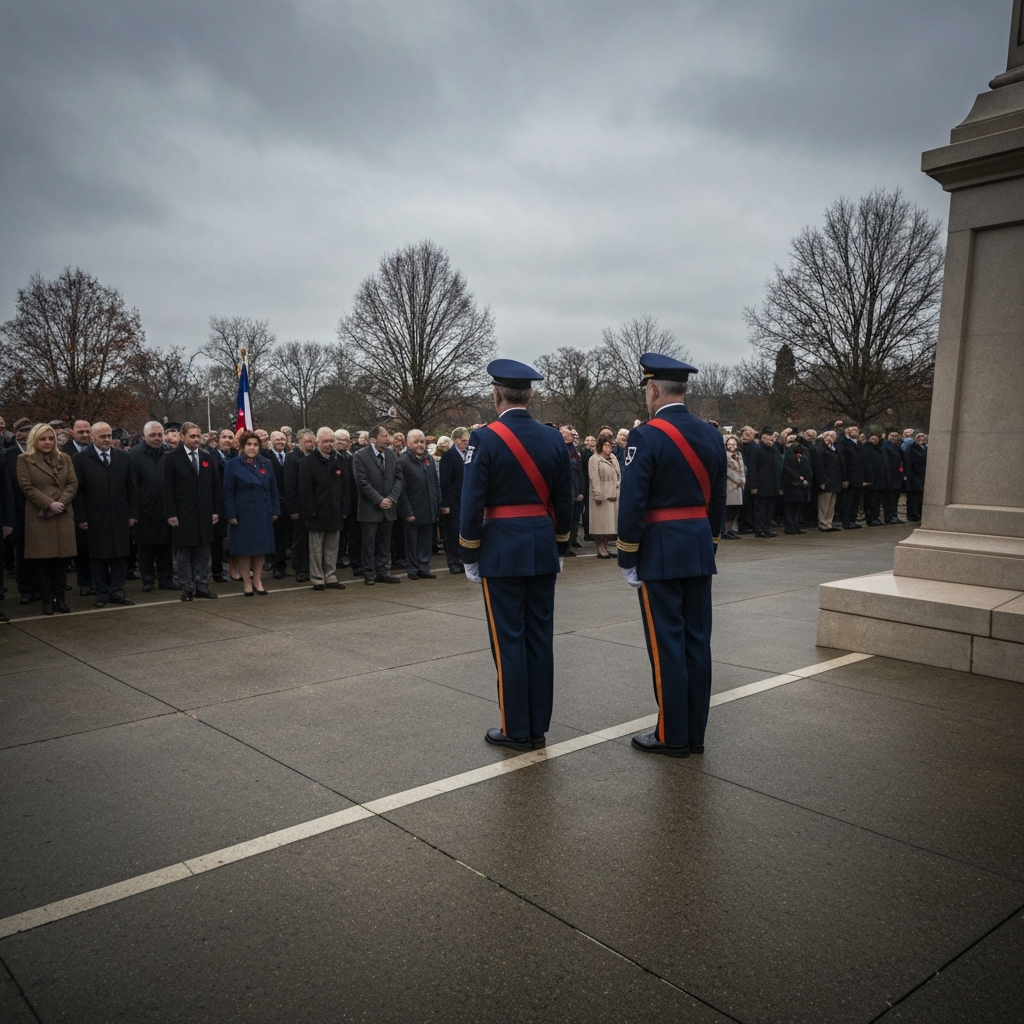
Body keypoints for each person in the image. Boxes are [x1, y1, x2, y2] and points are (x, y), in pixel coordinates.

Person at [459, 359, 573, 752]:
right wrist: (560, 545)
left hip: (502, 547)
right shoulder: (554, 438)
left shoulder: (485, 438)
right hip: (542, 544)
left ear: (496, 394)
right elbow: (564, 501)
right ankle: (538, 726)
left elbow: (472, 500)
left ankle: (515, 729)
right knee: (540, 637)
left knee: (509, 639)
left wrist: (468, 550)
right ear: (531, 395)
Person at [617, 353, 726, 757]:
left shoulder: (647, 435)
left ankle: (671, 734)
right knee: (697, 641)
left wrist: (628, 554)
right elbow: (715, 501)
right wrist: (710, 542)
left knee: (668, 645)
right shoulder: (711, 435)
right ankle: (694, 733)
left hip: (660, 548)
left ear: (653, 389)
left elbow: (633, 501)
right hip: (698, 544)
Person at [71, 422, 137, 607]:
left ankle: (117, 590)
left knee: (120, 556)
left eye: (109, 435)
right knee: (98, 557)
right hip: (95, 517)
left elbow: (131, 487)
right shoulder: (81, 459)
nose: (107, 439)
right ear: (92, 437)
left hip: (120, 516)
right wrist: (81, 518)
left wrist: (132, 513)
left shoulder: (123, 458)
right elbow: (78, 492)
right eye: (102, 436)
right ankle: (101, 592)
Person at [17, 423, 78, 615]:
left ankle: (60, 599)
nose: (48, 442)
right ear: (34, 440)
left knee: (61, 562)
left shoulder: (65, 458)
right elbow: (27, 487)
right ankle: (47, 601)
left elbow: (72, 483)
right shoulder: (24, 460)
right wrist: (49, 504)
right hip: (40, 517)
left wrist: (61, 502)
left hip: (62, 515)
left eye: (51, 438)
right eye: (43, 439)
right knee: (43, 563)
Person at [163, 421, 221, 602]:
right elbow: (167, 488)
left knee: (203, 552)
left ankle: (202, 585)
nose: (196, 440)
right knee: (184, 553)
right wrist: (171, 513)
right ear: (183, 437)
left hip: (203, 513)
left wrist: (215, 510)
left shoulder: (206, 457)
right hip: (183, 514)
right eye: (192, 436)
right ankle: (187, 586)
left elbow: (215, 486)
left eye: (198, 436)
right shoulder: (172, 458)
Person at [223, 430, 280, 596]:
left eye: (255, 445)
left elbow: (273, 489)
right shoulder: (232, 464)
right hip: (243, 513)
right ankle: (247, 582)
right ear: (242, 446)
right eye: (249, 444)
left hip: (263, 511)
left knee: (260, 548)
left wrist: (275, 509)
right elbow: (228, 492)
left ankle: (258, 580)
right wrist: (231, 514)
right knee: (244, 549)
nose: (252, 448)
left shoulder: (266, 463)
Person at [352, 425, 404, 585]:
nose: (388, 438)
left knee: (384, 542)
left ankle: (383, 571)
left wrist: (391, 498)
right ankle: (369, 572)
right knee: (369, 543)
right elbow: (361, 482)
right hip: (370, 508)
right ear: (373, 439)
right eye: (384, 435)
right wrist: (379, 500)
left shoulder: (392, 454)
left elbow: (399, 478)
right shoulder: (360, 456)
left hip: (389, 507)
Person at [298, 427, 349, 591]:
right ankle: (317, 578)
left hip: (335, 510)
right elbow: (305, 489)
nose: (329, 444)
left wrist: (344, 508)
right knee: (316, 548)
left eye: (331, 441)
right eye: (326, 441)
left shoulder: (339, 460)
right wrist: (310, 512)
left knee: (332, 547)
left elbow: (345, 487)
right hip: (317, 511)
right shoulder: (308, 462)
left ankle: (331, 575)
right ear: (317, 442)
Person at [130, 421, 176, 592]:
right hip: (144, 510)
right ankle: (147, 579)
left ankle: (166, 578)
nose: (157, 438)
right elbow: (132, 484)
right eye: (152, 435)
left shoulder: (169, 454)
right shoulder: (134, 455)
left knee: (165, 547)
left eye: (159, 435)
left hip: (165, 509)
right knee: (145, 548)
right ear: (144, 436)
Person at [397, 429, 441, 579]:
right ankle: (413, 569)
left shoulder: (429, 460)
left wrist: (437, 506)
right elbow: (401, 490)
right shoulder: (403, 461)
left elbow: (436, 484)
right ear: (409, 444)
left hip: (429, 509)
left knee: (426, 542)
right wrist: (407, 512)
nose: (420, 445)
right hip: (413, 511)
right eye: (416, 442)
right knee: (412, 543)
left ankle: (424, 567)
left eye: (422, 441)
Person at [284, 428, 315, 582]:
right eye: (308, 441)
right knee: (300, 540)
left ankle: (311, 567)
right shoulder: (293, 458)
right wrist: (293, 509)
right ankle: (300, 569)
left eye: (313, 441)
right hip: (299, 506)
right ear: (301, 441)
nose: (311, 444)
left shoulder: (314, 457)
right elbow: (289, 485)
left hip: (312, 506)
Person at [440, 427, 468, 574]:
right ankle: (453, 561)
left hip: (464, 501)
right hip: (452, 501)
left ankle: (461, 560)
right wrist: (445, 503)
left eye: (467, 440)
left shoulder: (467, 455)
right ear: (456, 440)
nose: (465, 443)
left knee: (462, 531)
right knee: (452, 532)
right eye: (463, 440)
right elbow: (445, 482)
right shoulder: (449, 457)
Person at [587, 432, 620, 557]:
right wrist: (598, 495)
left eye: (610, 445)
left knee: (610, 526)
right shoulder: (594, 459)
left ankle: (605, 547)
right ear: (600, 445)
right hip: (601, 497)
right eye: (606, 445)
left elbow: (618, 474)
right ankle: (600, 549)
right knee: (600, 525)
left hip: (613, 496)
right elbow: (594, 478)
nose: (608, 448)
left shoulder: (614, 458)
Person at [747, 427, 782, 538]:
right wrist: (754, 485)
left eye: (771, 435)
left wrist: (780, 485)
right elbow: (752, 467)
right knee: (760, 508)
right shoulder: (757, 449)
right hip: (761, 484)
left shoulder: (774, 449)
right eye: (767, 435)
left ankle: (766, 527)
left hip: (773, 484)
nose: (770, 438)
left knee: (770, 508)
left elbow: (779, 467)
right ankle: (759, 529)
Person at [266, 430, 290, 578]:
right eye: (277, 440)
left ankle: (284, 565)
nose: (280, 442)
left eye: (283, 439)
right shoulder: (265, 457)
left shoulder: (290, 456)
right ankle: (276, 566)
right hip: (274, 501)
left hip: (287, 501)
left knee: (286, 535)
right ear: (271, 441)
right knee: (276, 536)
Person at [810, 430, 843, 532]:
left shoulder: (833, 449)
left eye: (832, 437)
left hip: (834, 480)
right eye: (828, 436)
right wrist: (822, 481)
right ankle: (823, 523)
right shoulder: (820, 449)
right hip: (826, 480)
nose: (830, 438)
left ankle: (829, 522)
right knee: (824, 504)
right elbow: (819, 467)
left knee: (831, 504)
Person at [837, 424, 868, 529]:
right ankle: (846, 521)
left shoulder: (859, 444)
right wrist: (844, 478)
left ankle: (852, 520)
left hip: (858, 477)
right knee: (847, 501)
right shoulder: (844, 443)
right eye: (853, 430)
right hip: (849, 477)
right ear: (848, 432)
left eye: (857, 430)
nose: (856, 432)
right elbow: (843, 461)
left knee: (855, 501)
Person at [781, 434, 810, 534]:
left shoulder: (803, 455)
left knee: (798, 507)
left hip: (801, 486)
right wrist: (798, 477)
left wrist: (806, 478)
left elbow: (807, 468)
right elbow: (787, 469)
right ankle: (789, 526)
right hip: (791, 484)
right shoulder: (789, 455)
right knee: (790, 507)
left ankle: (796, 525)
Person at [862, 431, 887, 526]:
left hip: (880, 479)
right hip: (872, 479)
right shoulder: (867, 449)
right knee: (871, 501)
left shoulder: (879, 449)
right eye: (872, 438)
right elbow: (867, 465)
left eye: (876, 438)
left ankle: (876, 517)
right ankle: (871, 518)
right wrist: (867, 478)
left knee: (877, 501)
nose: (874, 440)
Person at [723, 435, 745, 538]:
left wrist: (743, 479)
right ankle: (726, 531)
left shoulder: (738, 454)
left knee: (734, 510)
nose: (732, 445)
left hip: (739, 486)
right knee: (728, 509)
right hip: (730, 485)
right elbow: (728, 470)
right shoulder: (725, 455)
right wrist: (737, 480)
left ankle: (731, 529)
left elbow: (742, 468)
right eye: (730, 444)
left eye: (734, 443)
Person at [883, 431, 906, 524]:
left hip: (898, 475)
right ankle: (889, 516)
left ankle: (894, 515)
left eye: (896, 436)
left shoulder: (898, 446)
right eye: (892, 436)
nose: (894, 437)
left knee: (896, 498)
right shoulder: (886, 446)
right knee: (890, 498)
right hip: (891, 475)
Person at [905, 433, 927, 521]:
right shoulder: (912, 447)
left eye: (924, 438)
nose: (922, 439)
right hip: (914, 475)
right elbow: (908, 462)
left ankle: (919, 513)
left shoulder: (926, 448)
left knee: (919, 497)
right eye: (920, 438)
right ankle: (912, 514)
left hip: (922, 475)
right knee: (913, 496)